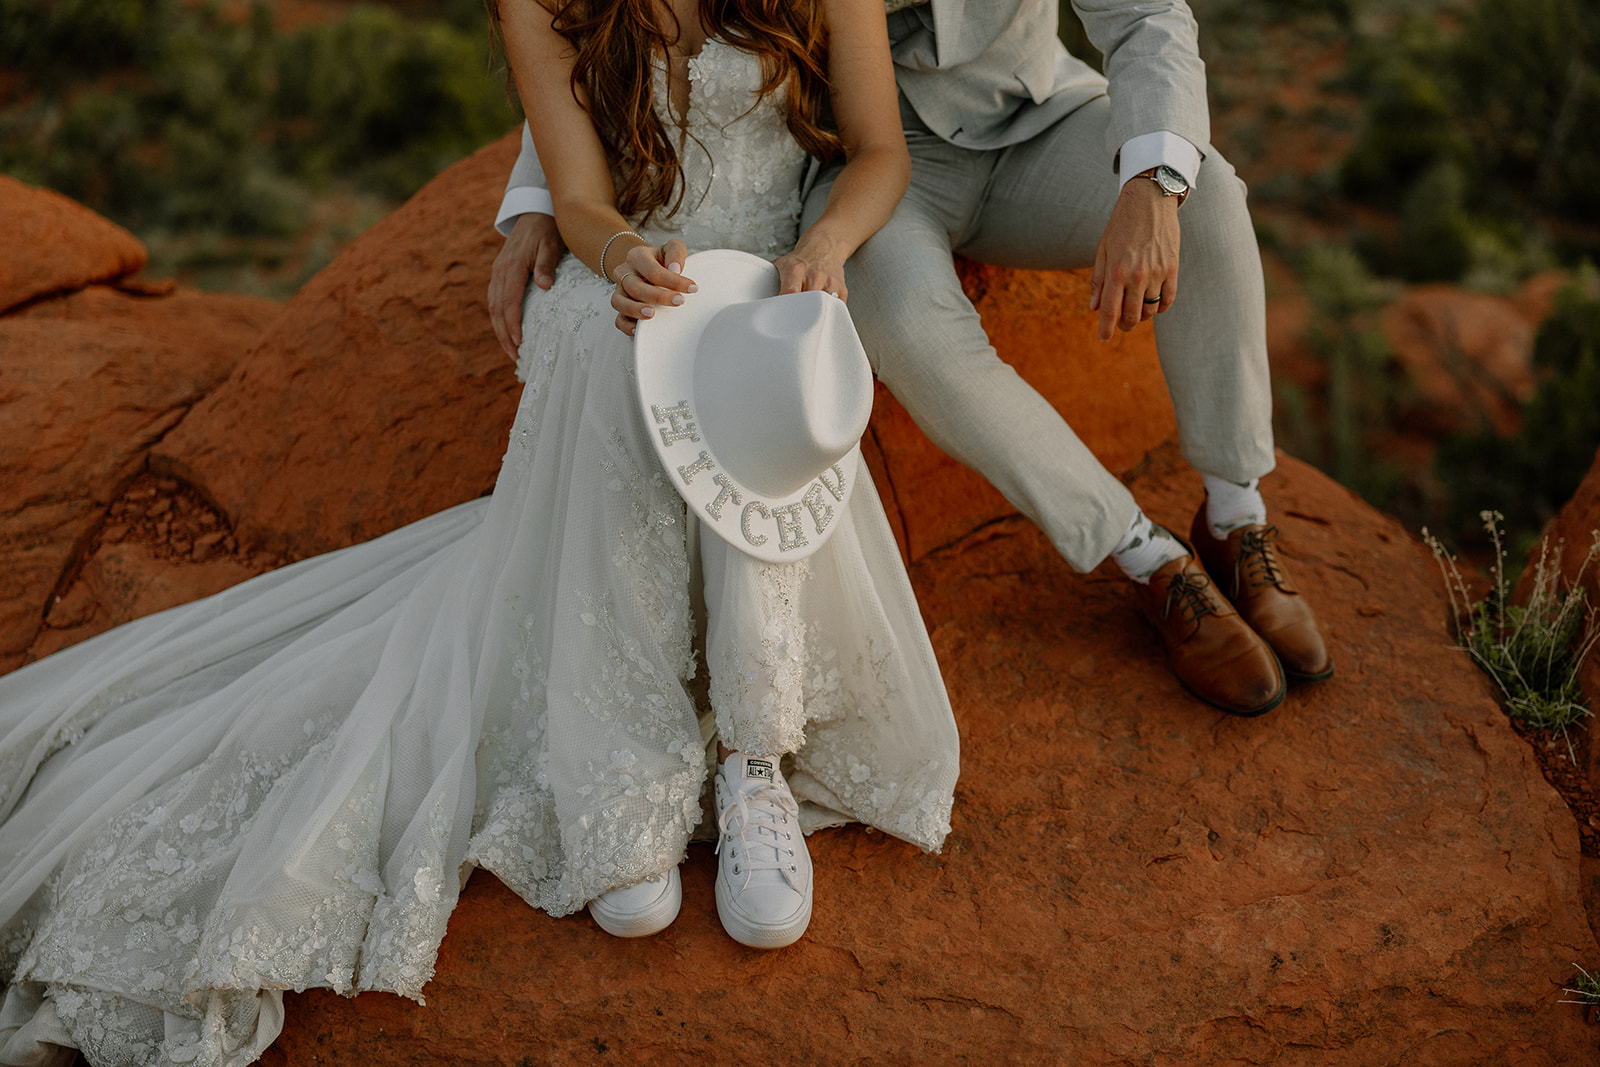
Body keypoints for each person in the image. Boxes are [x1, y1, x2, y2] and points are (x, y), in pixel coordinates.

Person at [0, 2, 960, 1063]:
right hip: (632, 279)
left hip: (770, 278)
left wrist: (827, 242)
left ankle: (753, 757)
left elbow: (879, 148)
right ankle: (614, 772)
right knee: (613, 355)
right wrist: (624, 254)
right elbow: (580, 194)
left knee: (755, 383)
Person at [489, 0, 1335, 719]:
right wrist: (544, 197)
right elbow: (613, 25)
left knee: (1209, 192)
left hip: (1035, 115)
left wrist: (1153, 184)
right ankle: (1145, 555)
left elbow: (1148, 13)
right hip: (861, 158)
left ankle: (1234, 514)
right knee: (903, 319)